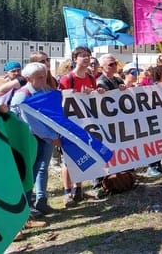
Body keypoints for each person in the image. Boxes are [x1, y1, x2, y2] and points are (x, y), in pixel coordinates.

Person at [10, 62, 62, 219]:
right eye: (39, 77)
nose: (43, 80)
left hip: (44, 138)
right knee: (29, 172)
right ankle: (27, 205)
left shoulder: (44, 90)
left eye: (44, 76)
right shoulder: (23, 95)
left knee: (42, 168)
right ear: (28, 78)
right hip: (30, 139)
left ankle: (41, 200)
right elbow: (32, 124)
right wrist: (53, 137)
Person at [58, 46, 101, 207]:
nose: (86, 58)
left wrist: (98, 92)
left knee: (83, 156)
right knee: (68, 159)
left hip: (86, 124)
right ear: (75, 59)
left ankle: (78, 189)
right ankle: (67, 193)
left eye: (88, 56)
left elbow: (95, 98)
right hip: (70, 124)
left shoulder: (91, 78)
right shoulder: (67, 79)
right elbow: (61, 99)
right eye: (82, 56)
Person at [146, 65, 162, 177]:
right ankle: (151, 166)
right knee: (155, 142)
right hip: (154, 118)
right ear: (161, 73)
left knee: (161, 142)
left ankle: (158, 164)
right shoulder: (153, 86)